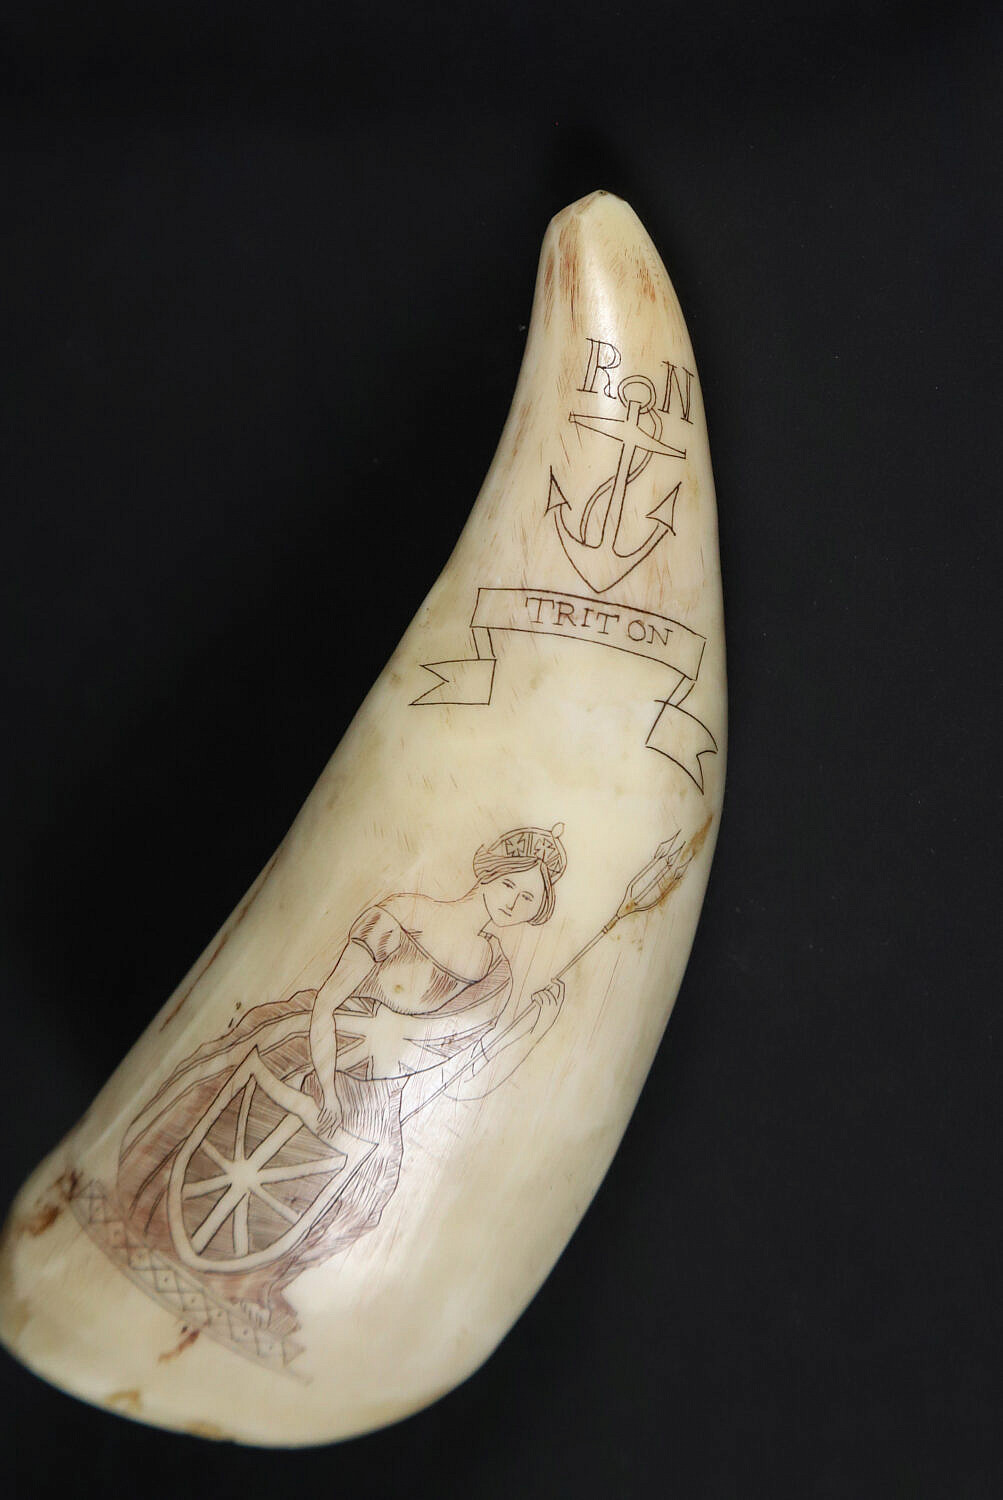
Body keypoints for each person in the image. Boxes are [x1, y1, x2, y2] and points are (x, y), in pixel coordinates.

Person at [116, 824, 567, 1334]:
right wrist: (327, 1085)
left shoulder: (496, 975)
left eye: (528, 899)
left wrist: (528, 1025)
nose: (512, 902)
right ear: (488, 873)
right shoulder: (405, 914)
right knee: (241, 1112)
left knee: (371, 1182)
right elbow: (329, 1001)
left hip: (382, 1083)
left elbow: (459, 1068)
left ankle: (254, 1281)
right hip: (317, 1047)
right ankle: (166, 1225)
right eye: (509, 884)